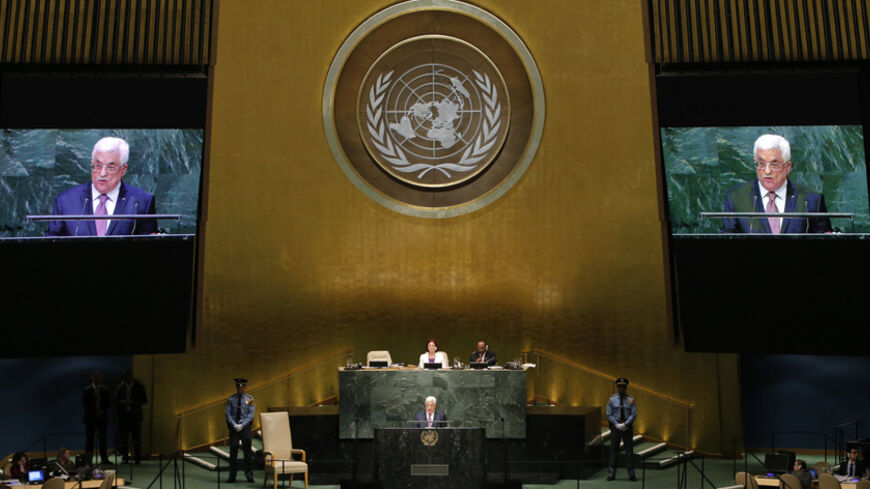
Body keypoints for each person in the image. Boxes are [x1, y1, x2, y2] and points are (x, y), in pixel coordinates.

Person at [47, 136, 157, 236]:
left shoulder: (142, 202)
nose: (102, 173)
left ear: (123, 170)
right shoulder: (66, 200)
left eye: (110, 167)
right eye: (98, 166)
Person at [722, 134, 832, 234]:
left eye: (774, 165)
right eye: (761, 164)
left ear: (787, 167)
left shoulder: (812, 200)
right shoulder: (736, 198)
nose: (767, 171)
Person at [225, 377, 255, 483]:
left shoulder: (250, 399)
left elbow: (251, 415)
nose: (239, 388)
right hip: (234, 429)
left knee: (248, 453)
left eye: (242, 386)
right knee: (233, 453)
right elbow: (228, 413)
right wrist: (234, 424)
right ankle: (232, 476)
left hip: (245, 428)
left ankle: (249, 476)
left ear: (245, 387)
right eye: (238, 386)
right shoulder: (231, 399)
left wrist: (243, 425)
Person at [606, 377, 637, 481]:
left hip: (627, 428)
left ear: (626, 387)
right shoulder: (612, 399)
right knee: (613, 451)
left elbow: (634, 413)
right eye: (619, 386)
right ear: (617, 387)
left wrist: (626, 424)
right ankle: (611, 474)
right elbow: (609, 414)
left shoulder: (630, 399)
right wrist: (616, 424)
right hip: (616, 428)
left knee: (629, 451)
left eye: (623, 386)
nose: (621, 388)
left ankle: (631, 474)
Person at [115, 370, 148, 464]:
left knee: (136, 439)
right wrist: (122, 402)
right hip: (123, 417)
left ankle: (137, 458)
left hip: (135, 416)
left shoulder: (139, 387)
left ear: (131, 377)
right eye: (125, 377)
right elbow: (115, 400)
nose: (127, 378)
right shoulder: (120, 387)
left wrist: (133, 402)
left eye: (128, 376)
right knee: (124, 439)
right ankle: (125, 458)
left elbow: (145, 400)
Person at [83, 370, 111, 465]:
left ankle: (104, 459)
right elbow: (85, 404)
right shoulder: (87, 390)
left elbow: (108, 403)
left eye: (99, 377)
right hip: (91, 418)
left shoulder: (105, 389)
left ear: (101, 378)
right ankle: (88, 460)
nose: (97, 379)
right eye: (96, 377)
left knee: (103, 439)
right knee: (89, 440)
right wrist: (95, 412)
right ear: (92, 378)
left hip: (102, 418)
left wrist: (102, 411)